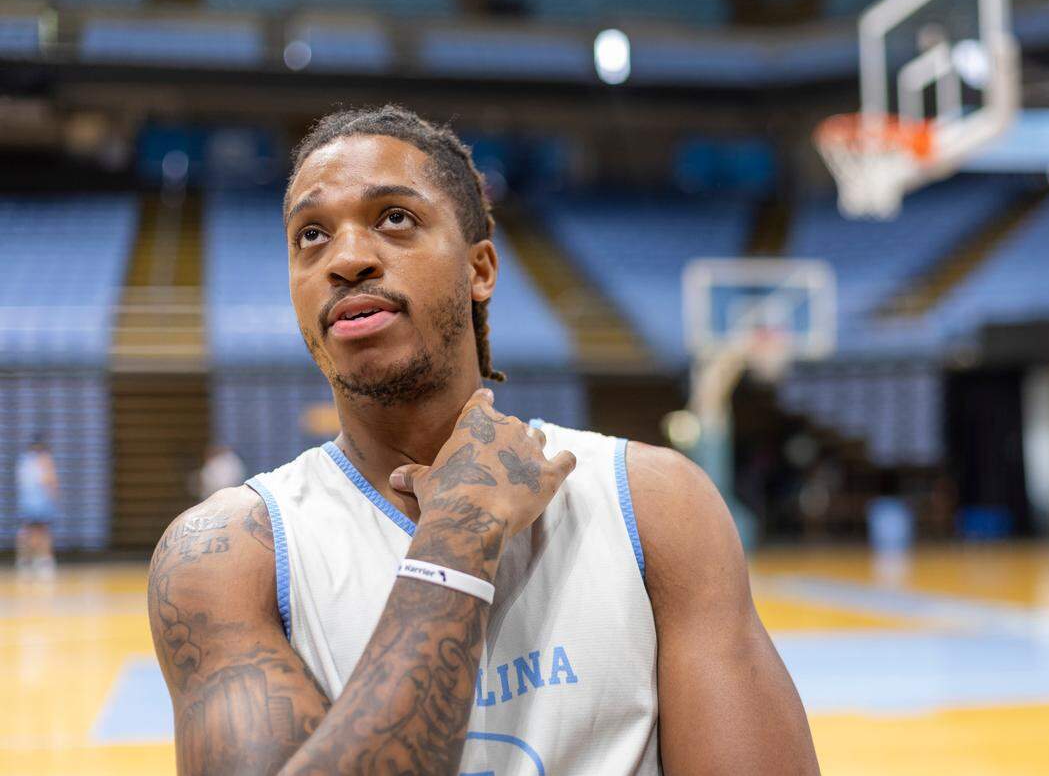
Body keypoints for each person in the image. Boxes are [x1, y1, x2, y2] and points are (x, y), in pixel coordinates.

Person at [148, 105, 820, 775]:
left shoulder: (654, 503)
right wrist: (458, 537)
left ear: (481, 270)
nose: (346, 258)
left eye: (394, 218)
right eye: (311, 236)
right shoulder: (227, 559)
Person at [15, 437, 59, 579]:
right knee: (43, 530)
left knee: (26, 530)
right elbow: (49, 480)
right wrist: (54, 494)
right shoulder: (44, 460)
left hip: (26, 502)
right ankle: (44, 560)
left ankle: (23, 559)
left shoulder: (24, 461)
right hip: (41, 501)